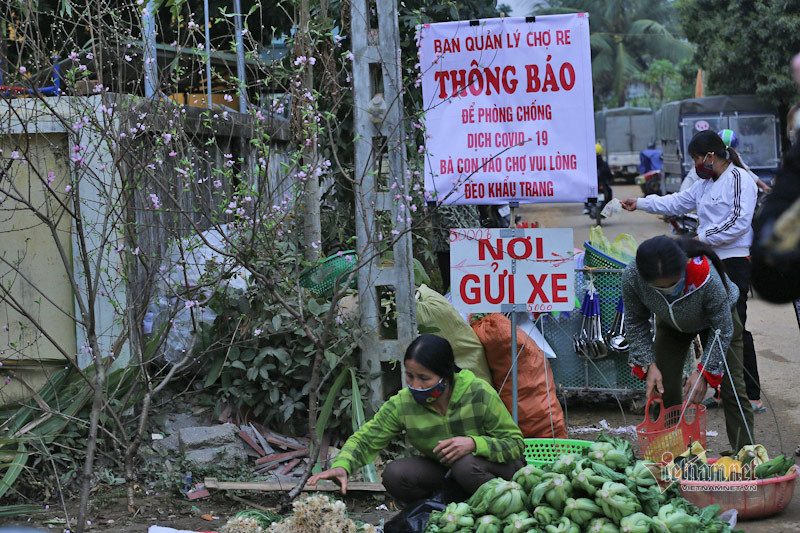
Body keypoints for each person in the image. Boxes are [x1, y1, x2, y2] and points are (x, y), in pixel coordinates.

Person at [621, 130, 765, 414]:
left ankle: (751, 394)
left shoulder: (740, 179)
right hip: (707, 258)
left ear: (710, 156)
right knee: (707, 325)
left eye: (697, 158)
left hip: (732, 261)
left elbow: (738, 222)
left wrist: (701, 239)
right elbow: (676, 202)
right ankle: (719, 387)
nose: (696, 164)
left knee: (733, 326)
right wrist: (640, 204)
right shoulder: (705, 184)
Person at [308, 334, 525, 505]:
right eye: (409, 376)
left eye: (424, 378)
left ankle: (505, 505)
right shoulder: (404, 404)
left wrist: (474, 443)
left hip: (496, 471)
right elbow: (367, 438)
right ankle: (444, 512)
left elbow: (515, 444)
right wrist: (343, 465)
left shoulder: (478, 393)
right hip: (449, 474)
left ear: (446, 375)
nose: (415, 385)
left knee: (465, 464)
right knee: (395, 474)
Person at [622, 235, 754, 452]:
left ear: (684, 266)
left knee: (733, 389)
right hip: (672, 324)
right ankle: (667, 454)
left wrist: (704, 372)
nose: (669, 291)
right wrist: (647, 363)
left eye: (673, 285)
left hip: (719, 324)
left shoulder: (707, 276)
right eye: (660, 289)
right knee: (662, 386)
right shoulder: (633, 276)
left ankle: (747, 455)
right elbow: (635, 320)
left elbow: (722, 330)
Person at [679, 129, 772, 193]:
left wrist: (763, 186)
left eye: (695, 159)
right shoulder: (703, 181)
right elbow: (684, 196)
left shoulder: (740, 179)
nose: (696, 164)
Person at [585, 143, 612, 214]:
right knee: (609, 191)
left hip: (592, 184)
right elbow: (609, 174)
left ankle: (587, 207)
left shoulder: (588, 163)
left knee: (586, 192)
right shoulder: (603, 163)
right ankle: (608, 209)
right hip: (602, 183)